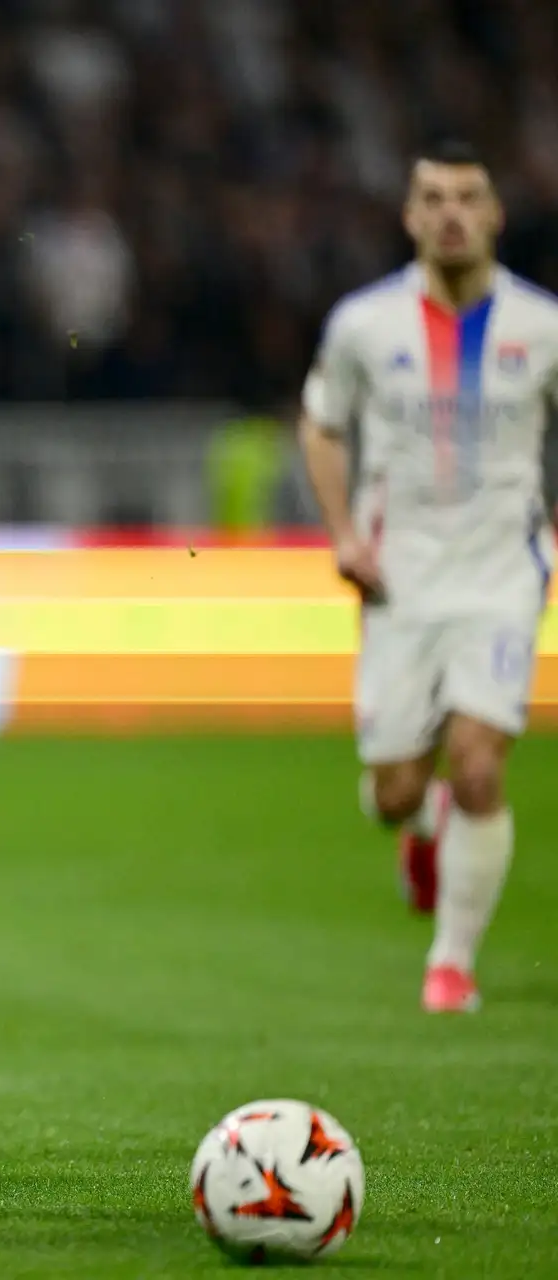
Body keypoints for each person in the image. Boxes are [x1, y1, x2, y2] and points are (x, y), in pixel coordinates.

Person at [298, 140, 557, 1015]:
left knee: (479, 766)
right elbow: (321, 425)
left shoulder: (542, 327)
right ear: (410, 216)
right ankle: (422, 819)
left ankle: (451, 965)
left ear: (495, 214)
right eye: (434, 198)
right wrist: (343, 535)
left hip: (501, 575)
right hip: (399, 580)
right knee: (394, 790)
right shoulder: (364, 325)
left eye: (468, 197)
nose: (452, 214)